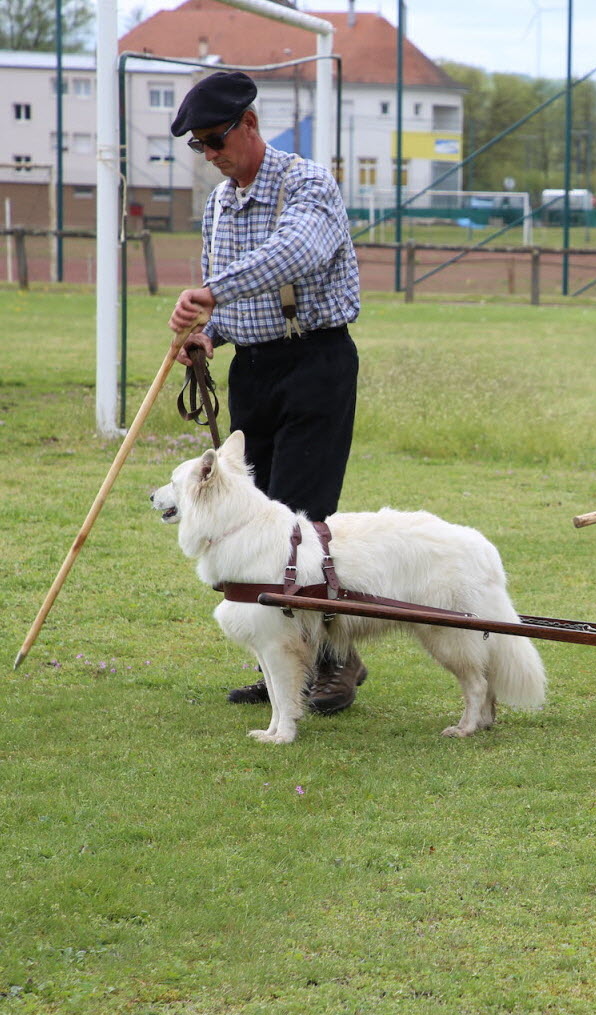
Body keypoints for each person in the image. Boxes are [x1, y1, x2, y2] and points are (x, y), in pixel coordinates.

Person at [167, 70, 366, 714]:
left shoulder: (308, 185)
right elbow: (230, 302)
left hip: (316, 363)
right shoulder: (220, 205)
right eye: (198, 146)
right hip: (252, 370)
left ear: (249, 125)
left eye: (215, 139)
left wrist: (213, 293)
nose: (210, 154)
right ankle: (281, 665)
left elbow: (296, 254)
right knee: (254, 528)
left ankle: (335, 664)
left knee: (301, 525)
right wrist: (209, 336)